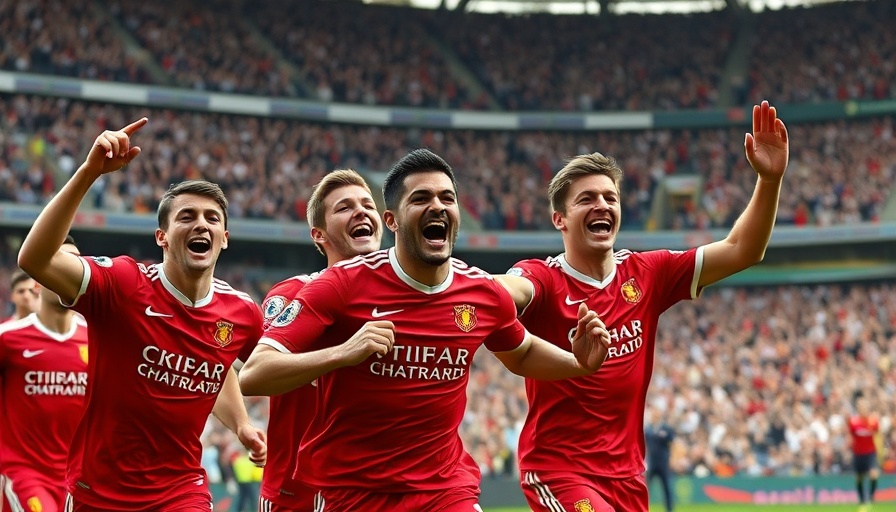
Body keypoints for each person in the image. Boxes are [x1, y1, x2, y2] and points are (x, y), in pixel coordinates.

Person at [240, 148, 611, 512]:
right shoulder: (339, 285)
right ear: (393, 221)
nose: (437, 206)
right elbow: (254, 374)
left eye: (447, 197)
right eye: (421, 198)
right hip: (353, 493)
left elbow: (524, 351)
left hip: (445, 489)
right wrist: (345, 352)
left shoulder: (482, 291)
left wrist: (579, 364)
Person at [498, 100, 789, 511]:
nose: (602, 205)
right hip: (560, 471)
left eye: (610, 197)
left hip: (628, 477)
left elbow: (743, 249)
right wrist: (467, 287)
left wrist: (770, 181)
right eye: (586, 200)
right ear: (559, 219)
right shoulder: (543, 277)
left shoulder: (647, 272)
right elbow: (510, 290)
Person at [17, 118, 267, 512]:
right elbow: (35, 259)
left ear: (224, 239)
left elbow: (219, 368)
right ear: (161, 236)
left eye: (211, 218)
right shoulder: (122, 284)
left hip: (180, 491)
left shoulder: (243, 312)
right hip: (96, 491)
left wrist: (241, 425)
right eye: (186, 216)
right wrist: (88, 174)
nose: (200, 223)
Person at [258, 169, 383, 512]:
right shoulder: (291, 294)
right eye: (344, 208)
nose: (360, 211)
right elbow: (259, 374)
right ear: (319, 234)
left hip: (376, 487)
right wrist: (343, 353)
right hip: (296, 491)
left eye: (367, 205)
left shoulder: (402, 300)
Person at [0, 236, 88, 512]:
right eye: (58, 265)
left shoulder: (97, 342)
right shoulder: (8, 339)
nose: (66, 274)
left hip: (80, 478)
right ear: (38, 281)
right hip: (25, 474)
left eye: (75, 267)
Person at [849, 396, 880, 512]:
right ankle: (862, 501)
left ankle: (871, 498)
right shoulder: (853, 422)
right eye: (860, 406)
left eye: (864, 406)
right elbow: (851, 436)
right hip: (858, 453)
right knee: (859, 478)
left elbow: (878, 435)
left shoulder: (874, 421)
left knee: (873, 474)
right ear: (858, 408)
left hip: (870, 453)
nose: (863, 408)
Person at [644, 407, 675, 512]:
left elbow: (671, 443)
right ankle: (643, 508)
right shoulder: (648, 429)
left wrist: (671, 458)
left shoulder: (666, 428)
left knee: (666, 488)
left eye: (656, 415)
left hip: (663, 463)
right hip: (652, 462)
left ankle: (669, 509)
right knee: (646, 488)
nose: (655, 417)